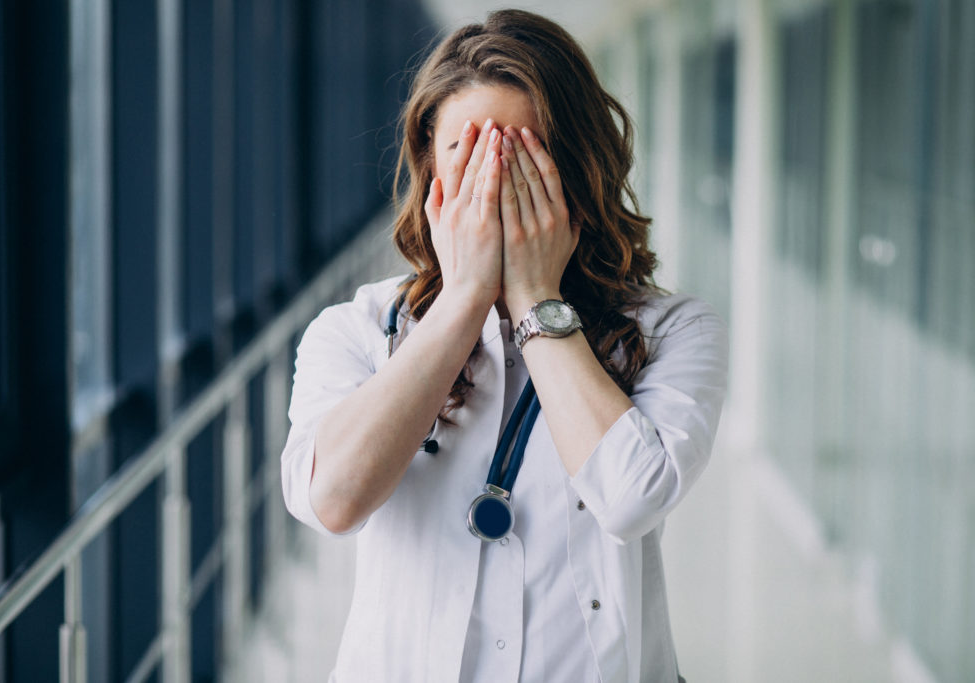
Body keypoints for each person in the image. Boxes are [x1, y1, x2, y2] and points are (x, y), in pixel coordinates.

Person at [281, 9, 728, 682]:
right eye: (469, 155)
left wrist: (533, 298)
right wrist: (462, 300)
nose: (494, 185)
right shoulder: (355, 328)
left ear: (576, 168)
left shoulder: (675, 330)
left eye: (520, 157)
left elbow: (634, 497)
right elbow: (332, 499)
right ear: (431, 170)